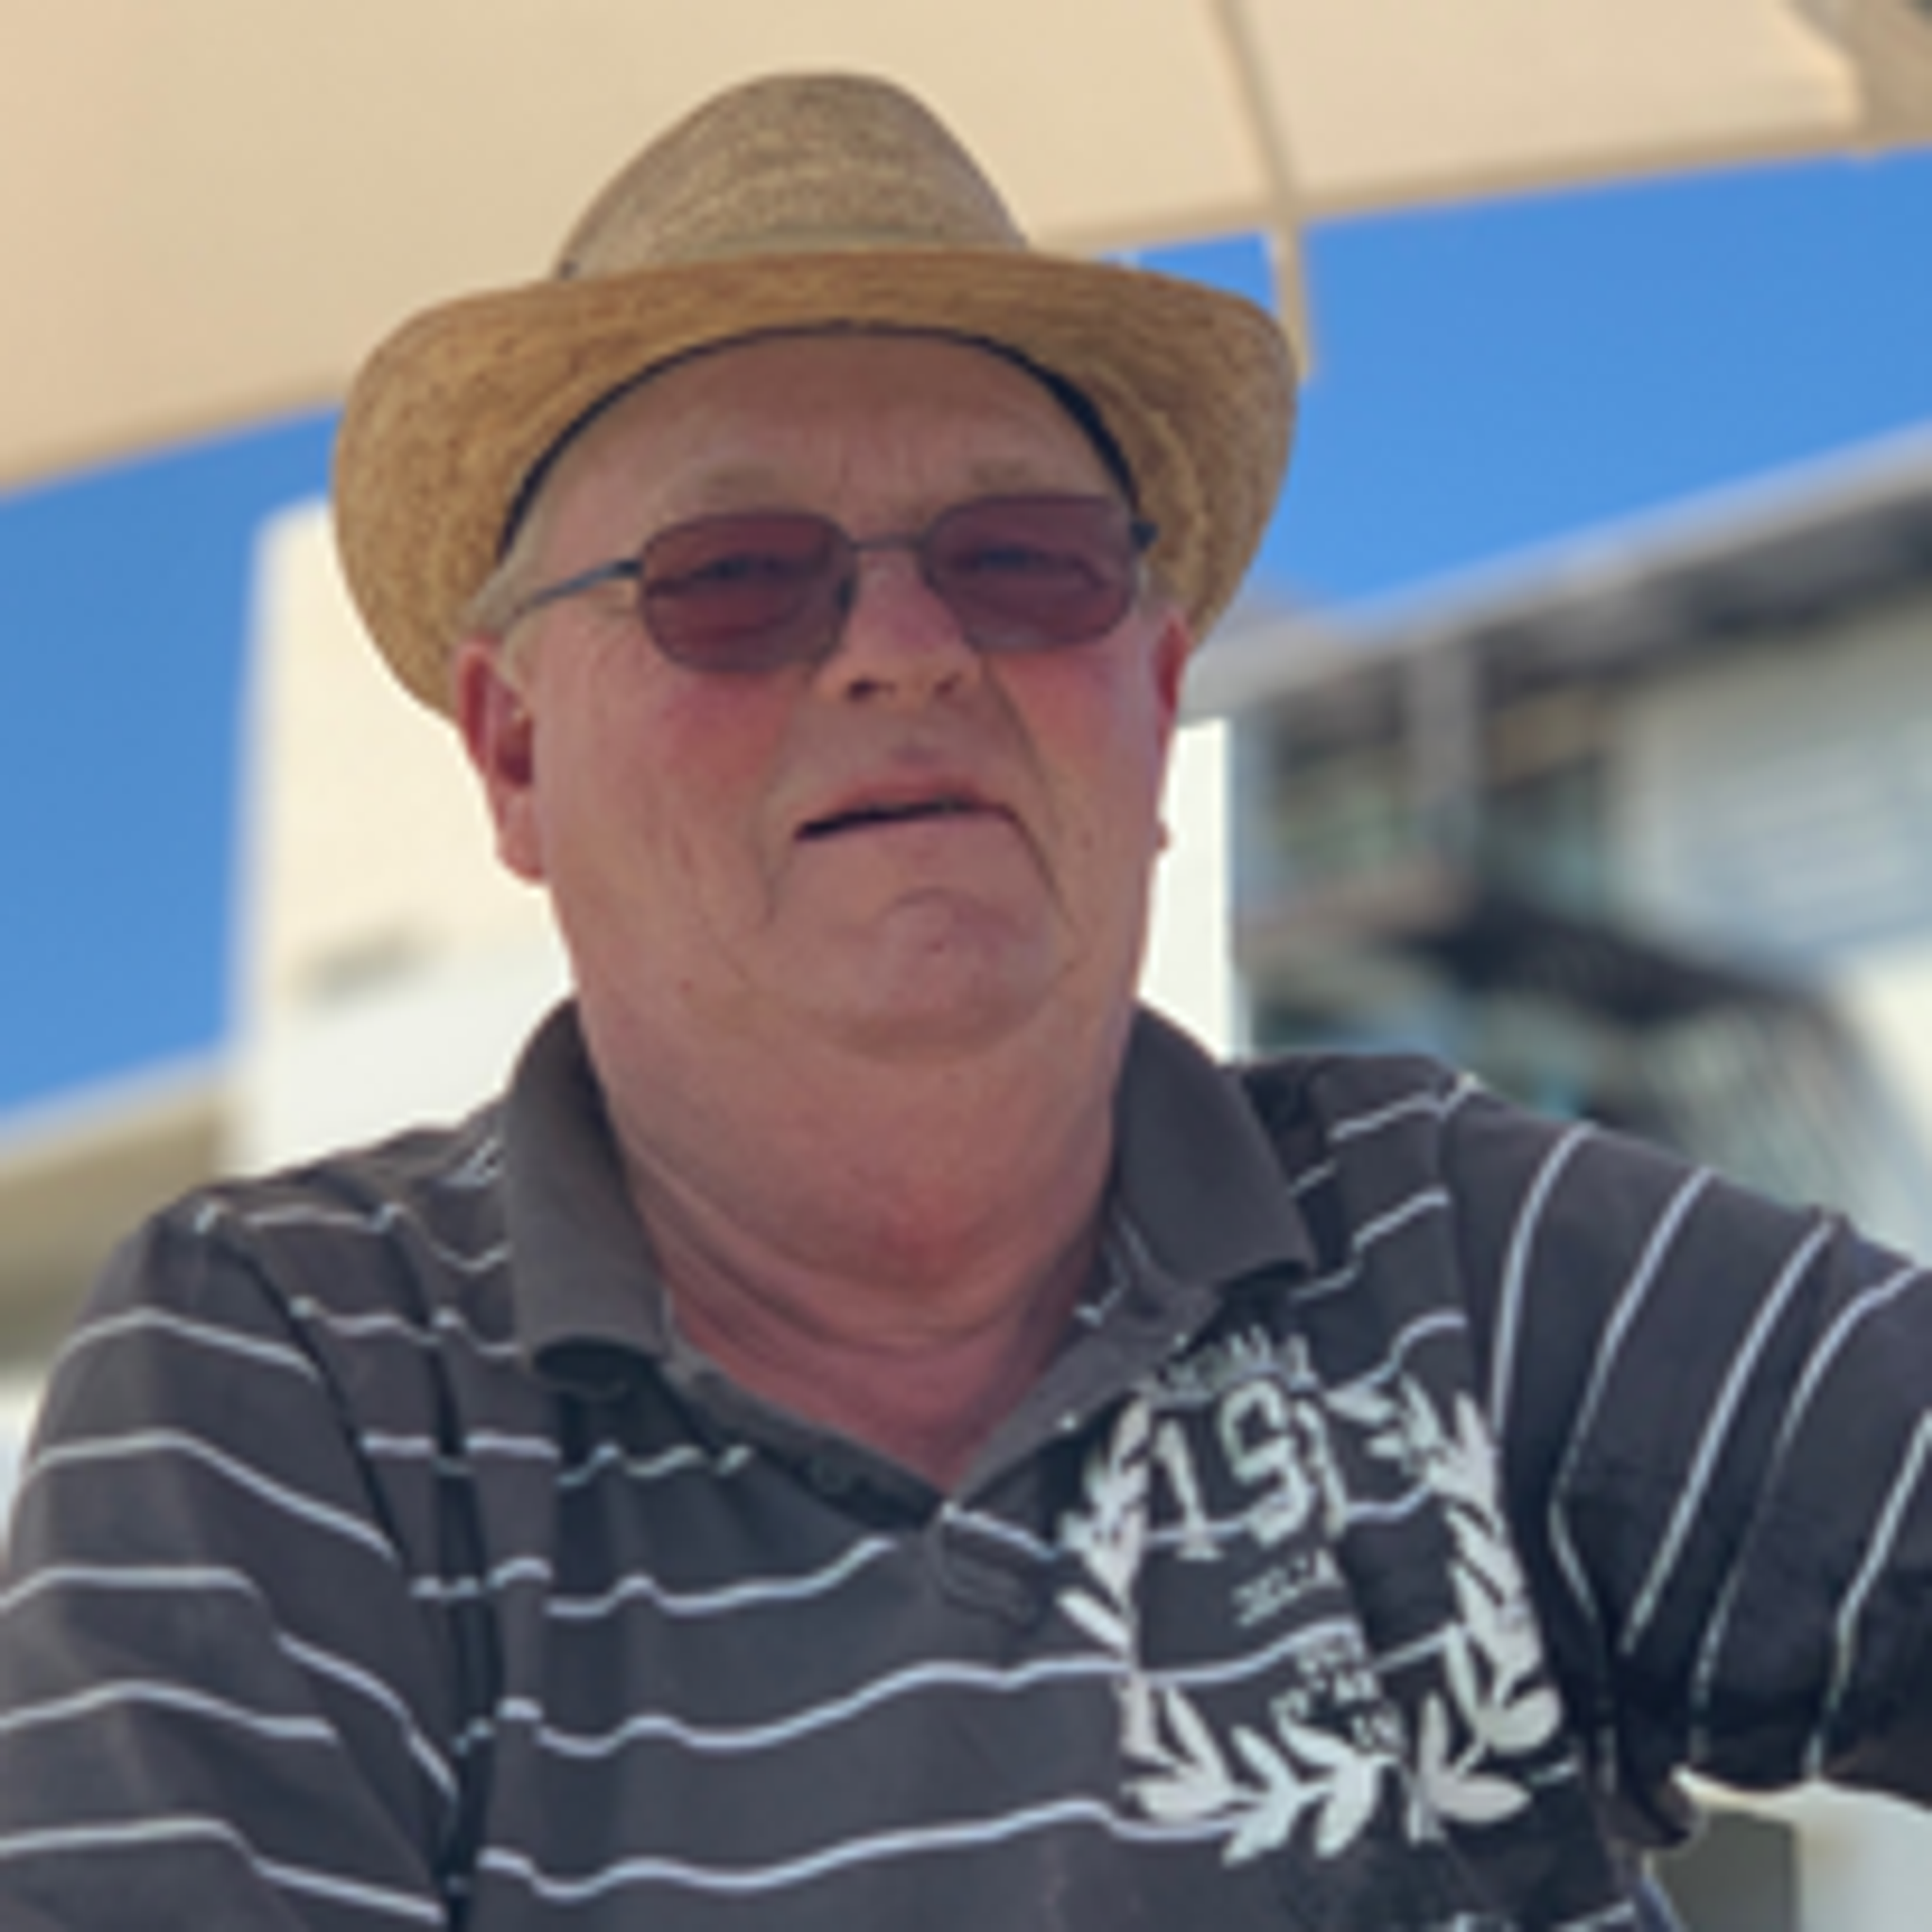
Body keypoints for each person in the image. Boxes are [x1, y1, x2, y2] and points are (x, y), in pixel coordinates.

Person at [1, 70, 1928, 1932]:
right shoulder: (295, 1380)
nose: (908, 651)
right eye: (734, 579)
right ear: (515, 756)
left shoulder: (1444, 1252)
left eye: (1022, 563)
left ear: (1155, 697)